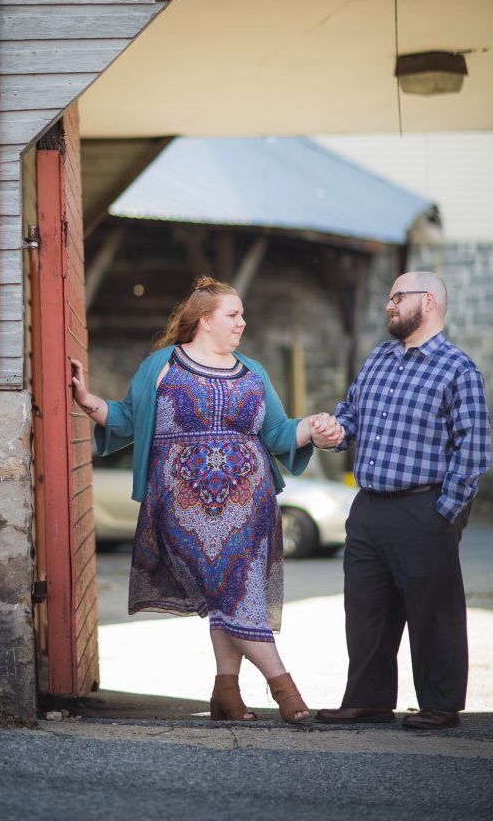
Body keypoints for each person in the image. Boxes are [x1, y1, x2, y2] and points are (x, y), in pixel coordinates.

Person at [71, 276, 344, 723]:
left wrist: (312, 430)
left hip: (251, 507)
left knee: (231, 597)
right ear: (204, 321)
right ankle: (286, 690)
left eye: (241, 314)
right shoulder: (161, 365)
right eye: (232, 315)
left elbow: (277, 435)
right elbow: (122, 419)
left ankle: (226, 694)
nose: (242, 322)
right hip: (181, 507)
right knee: (230, 593)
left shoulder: (254, 372)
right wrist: (85, 400)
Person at [316, 271, 491, 731]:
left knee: (434, 613)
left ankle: (440, 703)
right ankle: (369, 700)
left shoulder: (458, 369)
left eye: (397, 297)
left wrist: (443, 513)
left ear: (427, 301)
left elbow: (473, 451)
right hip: (369, 506)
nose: (389, 306)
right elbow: (351, 416)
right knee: (366, 610)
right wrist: (334, 432)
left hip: (424, 507)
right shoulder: (379, 357)